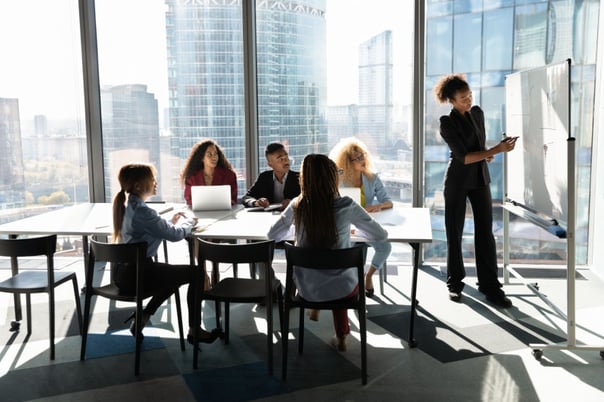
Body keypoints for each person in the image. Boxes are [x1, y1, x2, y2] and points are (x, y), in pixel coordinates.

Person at [267, 154, 388, 351]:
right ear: (333, 178)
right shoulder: (346, 205)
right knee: (339, 277)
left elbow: (272, 234)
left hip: (306, 289)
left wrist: (296, 229)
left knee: (323, 272)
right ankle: (341, 336)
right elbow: (380, 235)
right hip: (344, 290)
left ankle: (315, 309)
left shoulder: (298, 205)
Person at [434, 73, 518, 308]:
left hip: (480, 178)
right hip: (458, 181)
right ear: (451, 100)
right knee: (455, 232)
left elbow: (478, 149)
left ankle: (490, 286)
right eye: (463, 98)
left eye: (470, 95)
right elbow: (463, 156)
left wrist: (490, 153)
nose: (468, 100)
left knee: (486, 234)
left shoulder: (478, 113)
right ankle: (455, 283)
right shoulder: (446, 122)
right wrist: (497, 150)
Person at [112, 163, 220, 343]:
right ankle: (195, 329)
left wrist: (170, 220)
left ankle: (144, 316)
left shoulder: (129, 206)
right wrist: (190, 223)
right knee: (196, 273)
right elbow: (175, 235)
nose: (156, 183)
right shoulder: (142, 211)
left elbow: (150, 228)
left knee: (174, 275)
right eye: (152, 179)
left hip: (124, 274)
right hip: (138, 276)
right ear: (138, 185)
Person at [329, 137, 392, 297]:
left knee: (385, 247)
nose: (362, 159)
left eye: (362, 155)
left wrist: (377, 206)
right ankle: (352, 287)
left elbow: (388, 202)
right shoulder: (340, 180)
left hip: (365, 224)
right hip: (347, 226)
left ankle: (368, 276)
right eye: (356, 158)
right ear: (348, 162)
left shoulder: (372, 177)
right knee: (355, 252)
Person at [242, 142, 300, 211]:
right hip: (269, 217)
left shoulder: (299, 177)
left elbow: (309, 199)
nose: (285, 160)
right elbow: (246, 197)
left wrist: (293, 202)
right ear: (270, 164)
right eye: (280, 158)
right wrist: (256, 202)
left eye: (286, 156)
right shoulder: (264, 177)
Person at [180, 139, 238, 206]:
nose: (214, 157)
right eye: (209, 154)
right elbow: (189, 200)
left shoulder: (229, 175)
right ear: (202, 158)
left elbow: (233, 199)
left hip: (223, 213)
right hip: (200, 214)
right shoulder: (192, 178)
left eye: (215, 154)